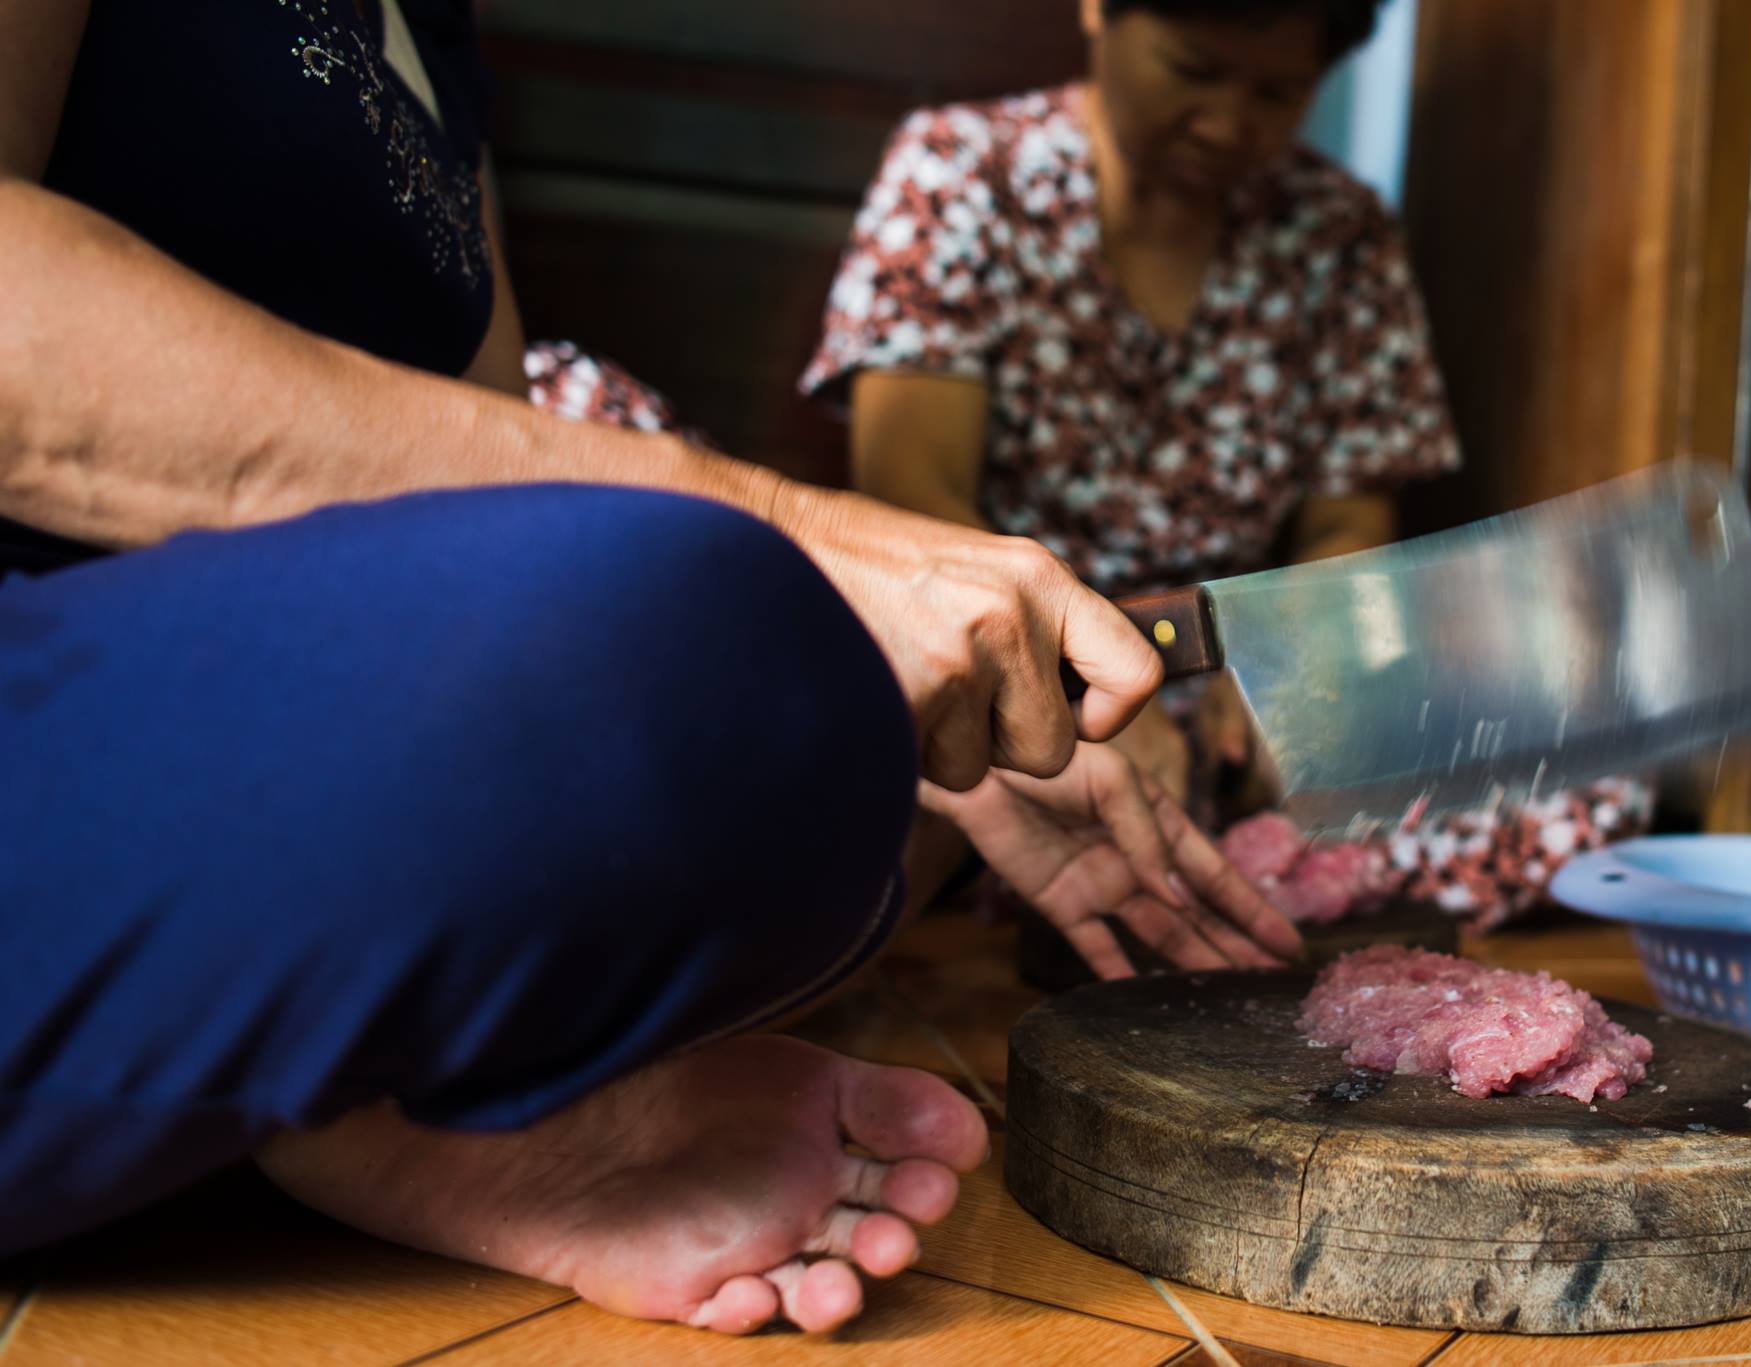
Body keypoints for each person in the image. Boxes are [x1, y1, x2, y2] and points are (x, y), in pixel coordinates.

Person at [0, 0, 1296, 1335]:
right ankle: (368, 1089)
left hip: (284, 714)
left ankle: (356, 1085)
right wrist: (800, 538)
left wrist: (888, 727)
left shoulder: (431, 43)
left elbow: (485, 519)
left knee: (801, 741)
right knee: (704, 616)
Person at [803, 0, 1652, 929]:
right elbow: (912, 494)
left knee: (1598, 782)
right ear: (1099, 13)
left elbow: (1344, 523)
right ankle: (1114, 863)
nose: (1226, 123)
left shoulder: (1339, 232)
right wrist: (1099, 689)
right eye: (1193, 70)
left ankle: (1221, 881)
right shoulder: (959, 172)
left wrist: (1302, 664)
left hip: (1232, 692)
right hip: (1024, 683)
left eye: (1277, 92)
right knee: (899, 795)